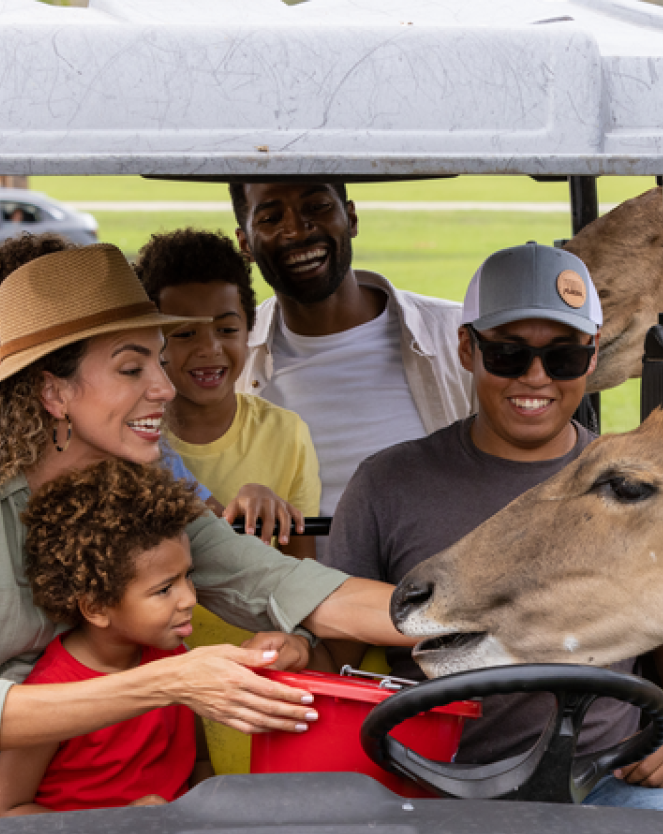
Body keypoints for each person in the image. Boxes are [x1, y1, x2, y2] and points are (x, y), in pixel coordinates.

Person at [327, 243, 663, 822]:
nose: (537, 378)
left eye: (563, 356)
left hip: (601, 781)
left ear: (593, 355)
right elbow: (328, 657)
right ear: (467, 348)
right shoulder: (387, 485)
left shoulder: (637, 492)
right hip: (425, 787)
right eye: (510, 354)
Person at [0, 241, 409, 752]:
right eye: (132, 369)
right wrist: (170, 683)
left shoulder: (143, 491)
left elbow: (281, 582)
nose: (165, 388)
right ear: (53, 393)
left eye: (159, 359)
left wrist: (469, 615)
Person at [230, 180, 474, 564]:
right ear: (245, 243)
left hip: (431, 608)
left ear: (352, 217)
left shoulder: (456, 336)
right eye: (272, 217)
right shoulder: (228, 359)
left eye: (318, 206)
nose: (296, 229)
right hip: (289, 615)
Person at [0, 460, 220, 814]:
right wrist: (117, 827)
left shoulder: (178, 659)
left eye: (187, 577)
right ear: (96, 608)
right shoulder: (50, 694)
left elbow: (199, 767)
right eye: (164, 589)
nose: (190, 598)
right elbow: (10, 811)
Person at [135, 228, 321, 558]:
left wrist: (268, 512)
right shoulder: (130, 439)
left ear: (249, 328)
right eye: (186, 332)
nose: (209, 347)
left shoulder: (287, 434)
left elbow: (305, 573)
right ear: (150, 339)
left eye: (227, 329)